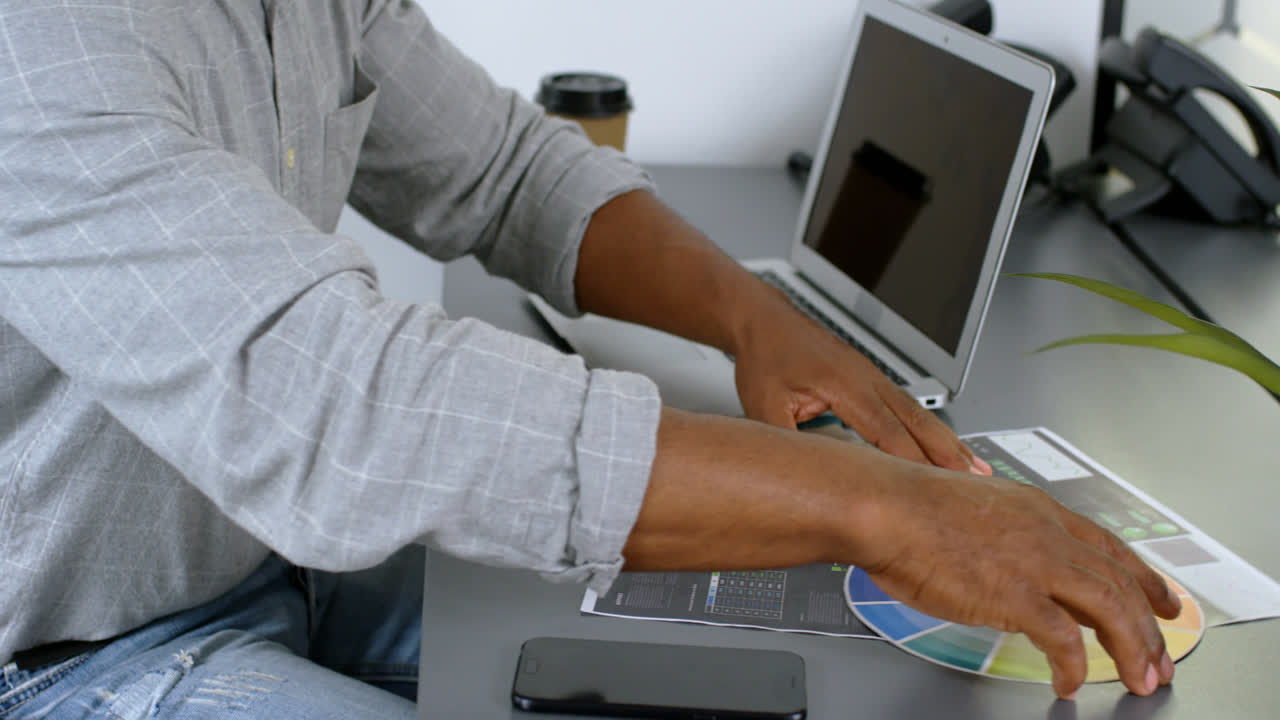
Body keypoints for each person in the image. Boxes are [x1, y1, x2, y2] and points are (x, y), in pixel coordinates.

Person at [0, 1, 1178, 717]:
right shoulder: (41, 48)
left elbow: (507, 171)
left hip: (272, 563)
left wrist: (753, 320)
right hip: (71, 655)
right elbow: (342, 413)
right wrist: (880, 507)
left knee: (751, 617)